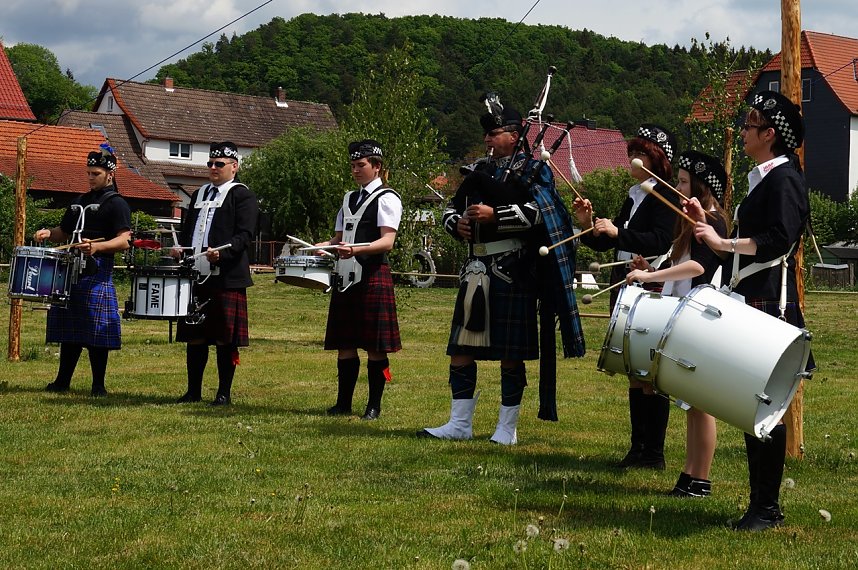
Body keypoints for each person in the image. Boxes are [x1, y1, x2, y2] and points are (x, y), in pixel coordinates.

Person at [419, 98, 585, 444]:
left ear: (514, 134)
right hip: (475, 270)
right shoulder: (480, 169)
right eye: (487, 135)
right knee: (462, 348)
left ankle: (506, 429)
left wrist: (497, 216)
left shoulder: (534, 169)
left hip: (513, 270)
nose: (488, 140)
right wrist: (457, 224)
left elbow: (543, 213)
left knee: (511, 354)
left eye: (494, 133)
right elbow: (450, 209)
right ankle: (459, 424)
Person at [691, 91, 814, 531]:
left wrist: (724, 244)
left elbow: (779, 237)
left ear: (769, 135)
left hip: (771, 299)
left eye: (750, 124)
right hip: (753, 293)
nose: (742, 130)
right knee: (753, 404)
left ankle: (767, 508)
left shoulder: (784, 180)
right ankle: (760, 506)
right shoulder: (763, 177)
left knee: (766, 408)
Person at [572, 124, 679, 469]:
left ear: (658, 161)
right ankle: (638, 448)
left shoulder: (667, 196)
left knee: (653, 372)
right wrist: (589, 224)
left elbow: (660, 240)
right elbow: (614, 240)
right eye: (634, 151)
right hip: (626, 284)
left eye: (642, 153)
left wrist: (620, 232)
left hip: (655, 286)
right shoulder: (635, 193)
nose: (633, 158)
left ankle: (655, 453)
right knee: (634, 369)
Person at [625, 150, 730, 496]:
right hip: (688, 313)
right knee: (692, 403)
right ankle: (690, 475)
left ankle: (699, 478)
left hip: (704, 314)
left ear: (701, 187)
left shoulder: (713, 222)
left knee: (702, 403)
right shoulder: (692, 225)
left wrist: (650, 274)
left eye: (684, 183)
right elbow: (681, 268)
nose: (679, 189)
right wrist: (650, 272)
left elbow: (698, 269)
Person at [35, 144, 131, 397]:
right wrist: (48, 233)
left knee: (95, 329)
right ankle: (62, 381)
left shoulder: (117, 204)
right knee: (69, 326)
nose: (90, 178)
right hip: (70, 269)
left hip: (97, 270)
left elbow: (124, 240)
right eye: (88, 173)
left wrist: (97, 248)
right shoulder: (79, 202)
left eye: (95, 174)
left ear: (110, 174)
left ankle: (98, 385)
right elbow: (64, 233)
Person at [319, 140, 402, 421]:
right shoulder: (347, 199)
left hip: (372, 275)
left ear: (376, 167)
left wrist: (355, 250)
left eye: (361, 165)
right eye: (353, 165)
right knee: (345, 342)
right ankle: (343, 403)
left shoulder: (387, 198)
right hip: (346, 276)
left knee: (374, 346)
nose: (355, 170)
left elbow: (387, 241)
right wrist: (324, 246)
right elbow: (339, 239)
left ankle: (373, 406)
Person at [174, 141, 259, 406]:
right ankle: (193, 391)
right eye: (210, 163)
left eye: (219, 164)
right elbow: (189, 230)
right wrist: (183, 251)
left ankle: (223, 393)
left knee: (225, 338)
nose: (213, 167)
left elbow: (245, 234)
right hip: (197, 274)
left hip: (227, 276)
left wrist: (223, 253)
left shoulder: (241, 195)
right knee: (195, 335)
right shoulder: (199, 194)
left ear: (234, 167)